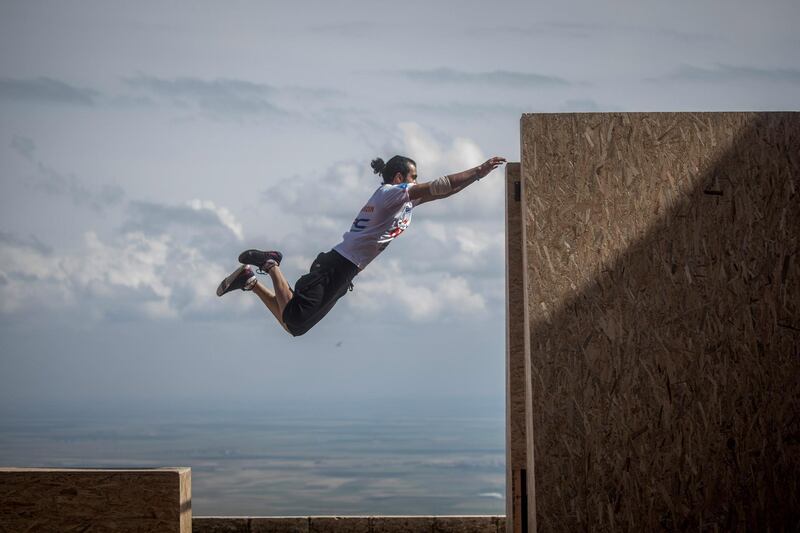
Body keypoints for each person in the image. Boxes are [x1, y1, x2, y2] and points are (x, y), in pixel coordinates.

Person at [217, 154, 506, 336]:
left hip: (344, 270)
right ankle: (270, 263)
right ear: (399, 177)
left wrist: (475, 178)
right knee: (293, 319)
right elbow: (440, 185)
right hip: (336, 266)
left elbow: (443, 193)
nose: (416, 181)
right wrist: (479, 170)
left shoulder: (401, 201)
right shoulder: (390, 194)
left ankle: (250, 282)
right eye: (413, 176)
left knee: (295, 326)